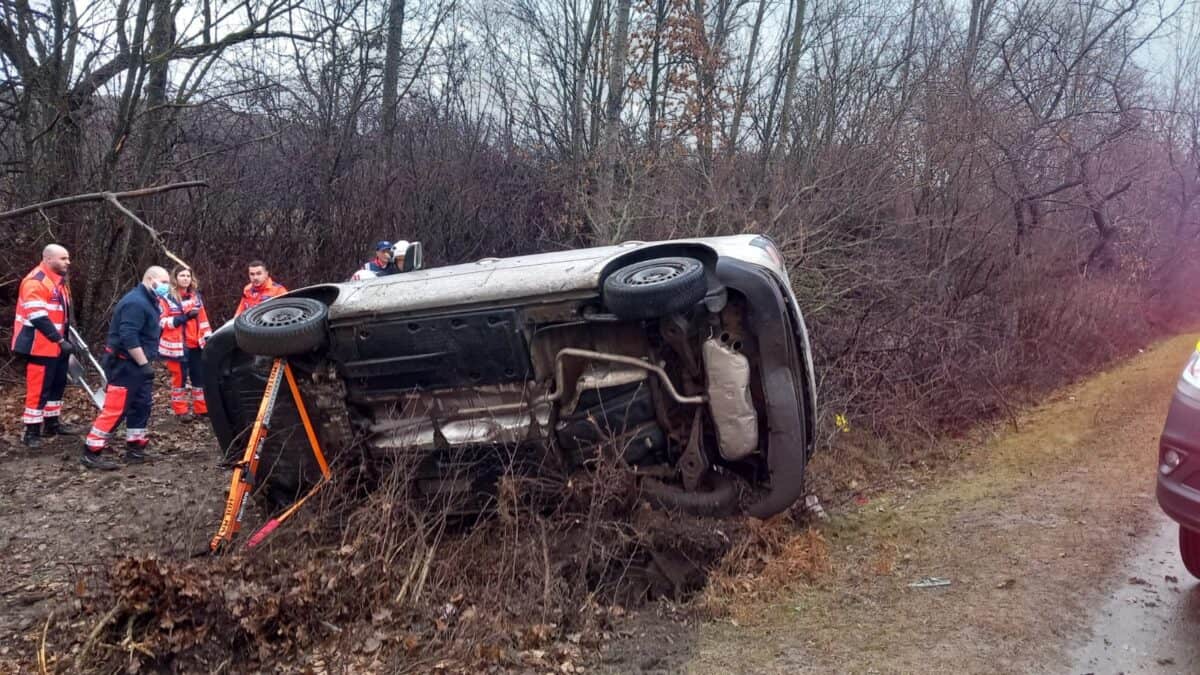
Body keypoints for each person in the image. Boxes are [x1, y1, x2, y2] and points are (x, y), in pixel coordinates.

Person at [80, 266, 169, 470]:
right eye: (163, 282)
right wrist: (143, 363)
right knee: (116, 408)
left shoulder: (150, 301)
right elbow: (129, 336)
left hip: (137, 365)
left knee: (141, 405)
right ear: (150, 279)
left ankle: (135, 448)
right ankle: (91, 452)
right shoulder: (135, 302)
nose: (166, 287)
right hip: (124, 364)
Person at [11, 244, 81, 448]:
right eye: (63, 258)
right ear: (48, 259)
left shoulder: (58, 282)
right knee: (39, 388)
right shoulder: (35, 282)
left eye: (67, 258)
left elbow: (62, 316)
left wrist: (66, 341)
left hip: (57, 345)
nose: (68, 262)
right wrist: (59, 340)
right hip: (39, 345)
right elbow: (38, 317)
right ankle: (31, 431)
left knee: (57, 384)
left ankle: (52, 423)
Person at [158, 266, 212, 422]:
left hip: (196, 344)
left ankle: (202, 409)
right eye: (182, 275)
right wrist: (183, 318)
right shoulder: (167, 298)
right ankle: (181, 411)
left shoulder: (196, 297)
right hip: (176, 346)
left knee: (199, 377)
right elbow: (161, 321)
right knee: (179, 379)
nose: (185, 278)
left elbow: (203, 319)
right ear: (175, 278)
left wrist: (207, 338)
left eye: (188, 275)